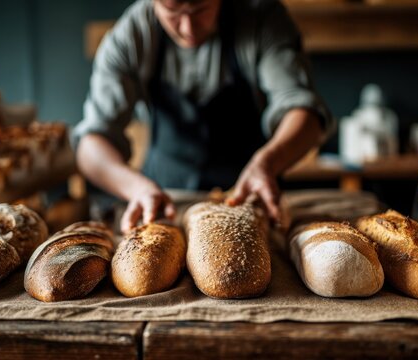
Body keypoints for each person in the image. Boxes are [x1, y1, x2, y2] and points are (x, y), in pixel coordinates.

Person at [73, 0, 334, 232]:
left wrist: (267, 164)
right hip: (165, 204)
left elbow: (305, 113)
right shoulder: (131, 35)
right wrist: (135, 188)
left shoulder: (261, 17)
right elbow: (91, 144)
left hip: (250, 200)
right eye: (172, 10)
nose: (187, 28)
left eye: (200, 9)